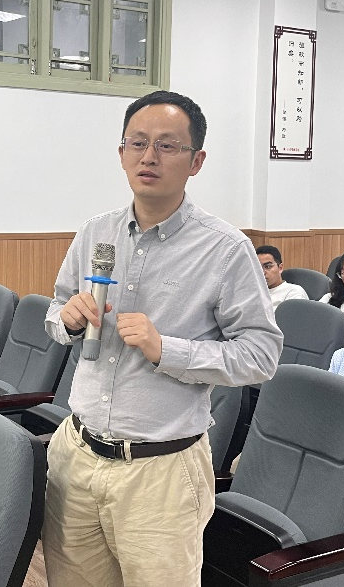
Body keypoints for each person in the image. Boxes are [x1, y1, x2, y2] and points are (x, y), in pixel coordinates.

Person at [43, 90, 283, 587]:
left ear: (196, 161)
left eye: (167, 145)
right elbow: (55, 311)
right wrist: (67, 319)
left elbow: (261, 355)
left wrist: (165, 349)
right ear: (121, 153)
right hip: (77, 456)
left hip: (161, 473)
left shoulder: (225, 249)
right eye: (138, 143)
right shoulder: (95, 232)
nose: (148, 156)